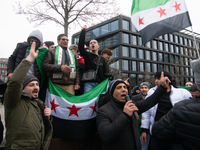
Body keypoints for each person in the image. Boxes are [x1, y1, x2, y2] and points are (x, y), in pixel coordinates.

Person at [96, 72, 170, 150]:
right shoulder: (103, 111)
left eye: (125, 87)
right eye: (119, 87)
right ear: (112, 93)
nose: (123, 89)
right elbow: (105, 135)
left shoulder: (132, 105)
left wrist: (162, 87)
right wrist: (125, 115)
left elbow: (149, 102)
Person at [4, 42, 53, 150]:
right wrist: (29, 58)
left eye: (37, 84)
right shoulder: (14, 101)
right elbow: (15, 82)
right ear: (22, 90)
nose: (36, 87)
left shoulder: (40, 103)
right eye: (31, 85)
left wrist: (48, 118)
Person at [141, 71, 192, 150]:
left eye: (159, 78)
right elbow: (146, 112)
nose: (156, 81)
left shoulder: (183, 93)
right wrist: (144, 130)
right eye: (156, 79)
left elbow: (189, 112)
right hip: (156, 133)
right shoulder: (151, 92)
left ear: (168, 80)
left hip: (174, 134)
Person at [7, 30, 48, 101]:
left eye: (36, 42)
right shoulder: (21, 46)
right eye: (31, 41)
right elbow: (12, 58)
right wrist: (10, 72)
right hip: (20, 78)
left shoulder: (44, 51)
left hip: (33, 80)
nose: (33, 43)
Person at [78, 25, 113, 93]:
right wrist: (83, 31)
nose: (92, 44)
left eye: (94, 42)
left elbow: (106, 72)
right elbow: (80, 46)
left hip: (100, 85)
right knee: (88, 101)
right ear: (89, 47)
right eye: (91, 43)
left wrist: (110, 76)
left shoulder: (102, 59)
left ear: (98, 46)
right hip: (89, 84)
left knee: (101, 101)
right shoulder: (87, 55)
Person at [131, 82, 151, 150]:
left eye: (146, 88)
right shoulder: (134, 98)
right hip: (138, 127)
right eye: (142, 88)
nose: (144, 89)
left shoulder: (152, 98)